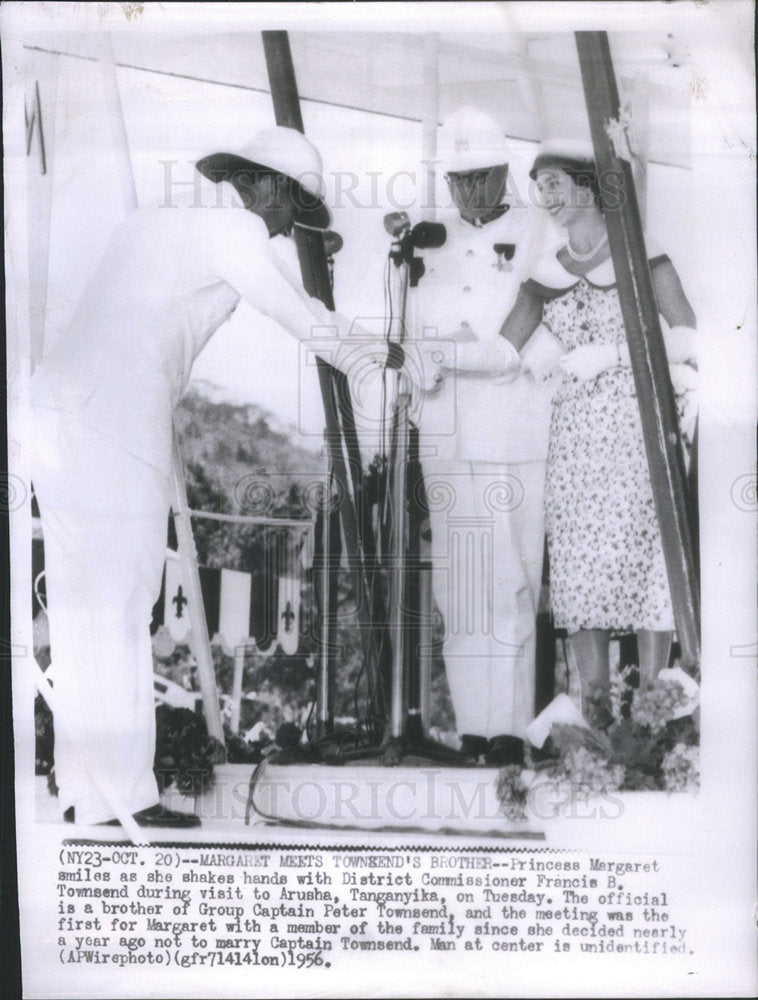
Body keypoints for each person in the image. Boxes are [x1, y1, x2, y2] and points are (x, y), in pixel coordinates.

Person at [31, 125, 381, 827]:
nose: (287, 225)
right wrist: (376, 352)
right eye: (292, 207)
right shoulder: (230, 228)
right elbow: (297, 318)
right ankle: (123, 796)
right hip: (115, 417)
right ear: (268, 185)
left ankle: (87, 793)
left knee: (83, 606)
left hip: (57, 409)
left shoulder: (165, 216)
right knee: (125, 601)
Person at [497, 139, 698, 727]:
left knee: (643, 566)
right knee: (582, 573)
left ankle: (653, 715)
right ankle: (598, 715)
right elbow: (501, 349)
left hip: (638, 430)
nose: (548, 197)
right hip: (576, 439)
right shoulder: (544, 270)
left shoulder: (642, 253)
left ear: (592, 186)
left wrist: (611, 354)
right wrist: (431, 356)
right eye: (541, 186)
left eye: (556, 183)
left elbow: (688, 339)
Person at [412, 109, 557, 765]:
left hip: (513, 427)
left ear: (504, 171)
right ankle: (473, 725)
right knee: (460, 583)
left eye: (481, 176)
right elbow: (405, 337)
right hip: (444, 431)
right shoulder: (427, 240)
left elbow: (532, 325)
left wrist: (469, 354)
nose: (470, 191)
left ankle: (510, 729)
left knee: (514, 581)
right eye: (459, 178)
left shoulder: (538, 228)